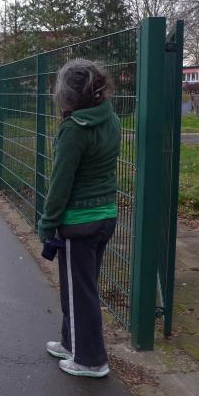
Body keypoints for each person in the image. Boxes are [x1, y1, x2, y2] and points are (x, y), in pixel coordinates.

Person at [37, 59, 120, 378]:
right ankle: (72, 342)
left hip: (80, 221)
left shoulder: (74, 129)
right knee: (80, 287)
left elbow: (61, 182)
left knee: (81, 293)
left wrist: (47, 223)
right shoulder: (109, 117)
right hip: (105, 216)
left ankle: (91, 360)